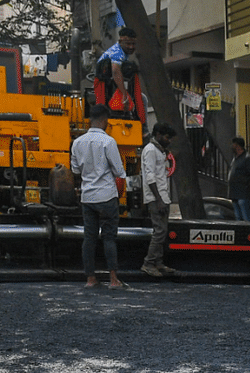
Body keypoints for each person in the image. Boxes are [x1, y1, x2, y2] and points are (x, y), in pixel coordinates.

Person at [70, 104, 127, 289]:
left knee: (89, 238)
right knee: (109, 238)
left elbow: (75, 169)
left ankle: (90, 279)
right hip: (107, 196)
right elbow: (119, 170)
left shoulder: (77, 143)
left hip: (88, 197)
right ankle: (113, 279)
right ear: (104, 120)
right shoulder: (108, 142)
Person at [142, 123, 179, 277]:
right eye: (166, 137)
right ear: (157, 135)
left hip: (162, 197)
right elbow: (150, 177)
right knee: (159, 232)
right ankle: (148, 263)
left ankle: (158, 262)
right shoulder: (150, 151)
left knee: (162, 231)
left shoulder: (160, 151)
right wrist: (158, 200)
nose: (169, 140)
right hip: (156, 198)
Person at [95, 27, 146, 120]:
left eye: (133, 44)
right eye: (128, 43)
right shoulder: (117, 52)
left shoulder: (122, 52)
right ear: (120, 42)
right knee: (142, 100)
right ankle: (144, 128)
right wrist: (125, 96)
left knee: (143, 99)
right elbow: (115, 71)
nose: (131, 47)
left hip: (110, 85)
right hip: (104, 85)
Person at [228, 137, 250, 221]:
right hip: (234, 194)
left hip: (243, 193)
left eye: (233, 144)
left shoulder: (247, 158)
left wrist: (247, 183)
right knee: (238, 217)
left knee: (246, 218)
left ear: (238, 146)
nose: (231, 146)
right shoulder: (235, 159)